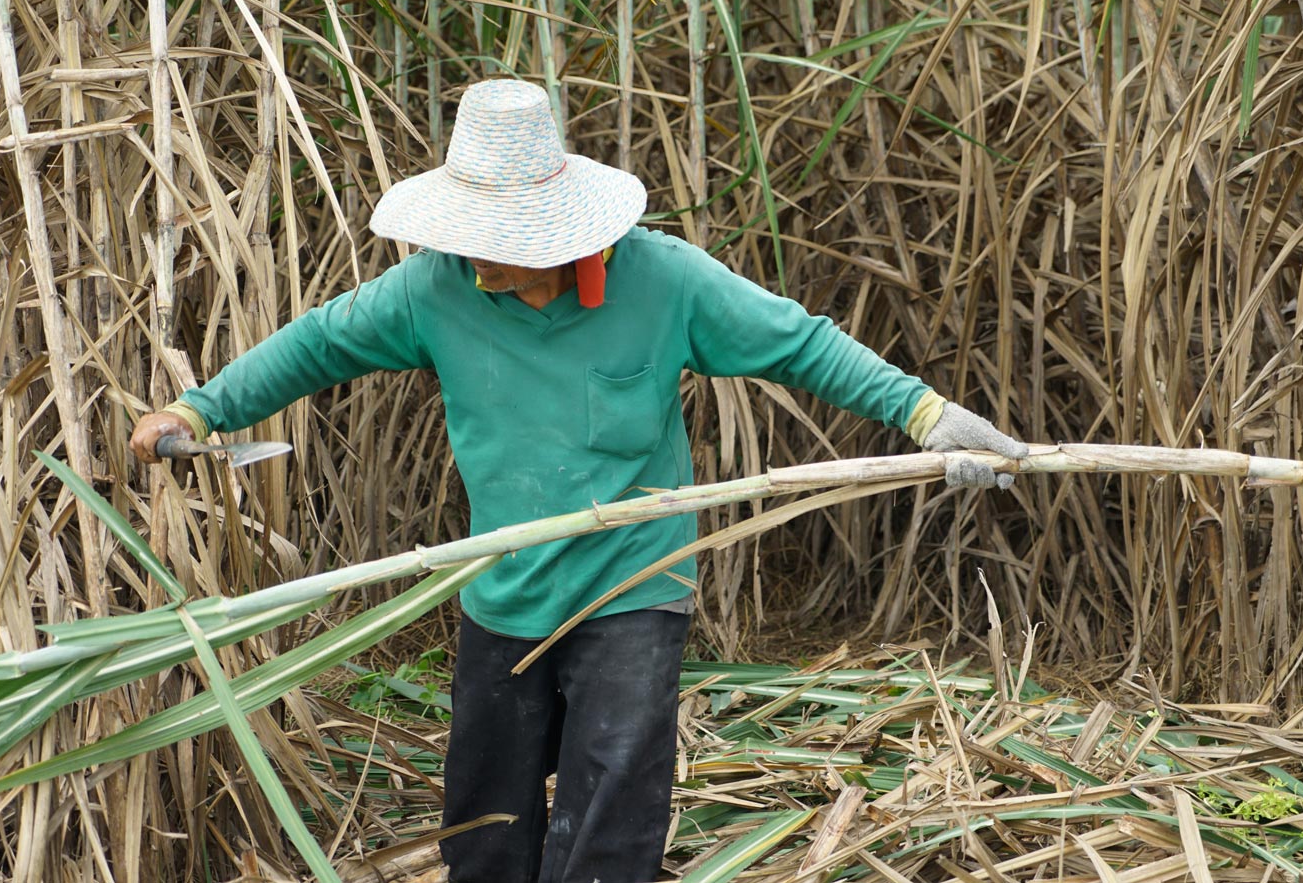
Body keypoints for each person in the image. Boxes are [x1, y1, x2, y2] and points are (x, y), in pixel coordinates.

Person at [129, 78, 1027, 883]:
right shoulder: (435, 290)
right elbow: (317, 343)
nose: (480, 260)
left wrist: (925, 416)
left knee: (609, 824)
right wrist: (200, 410)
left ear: (566, 233)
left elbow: (801, 342)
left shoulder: (666, 282)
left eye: (501, 242)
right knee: (485, 829)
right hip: (503, 586)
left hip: (634, 586)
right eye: (468, 238)